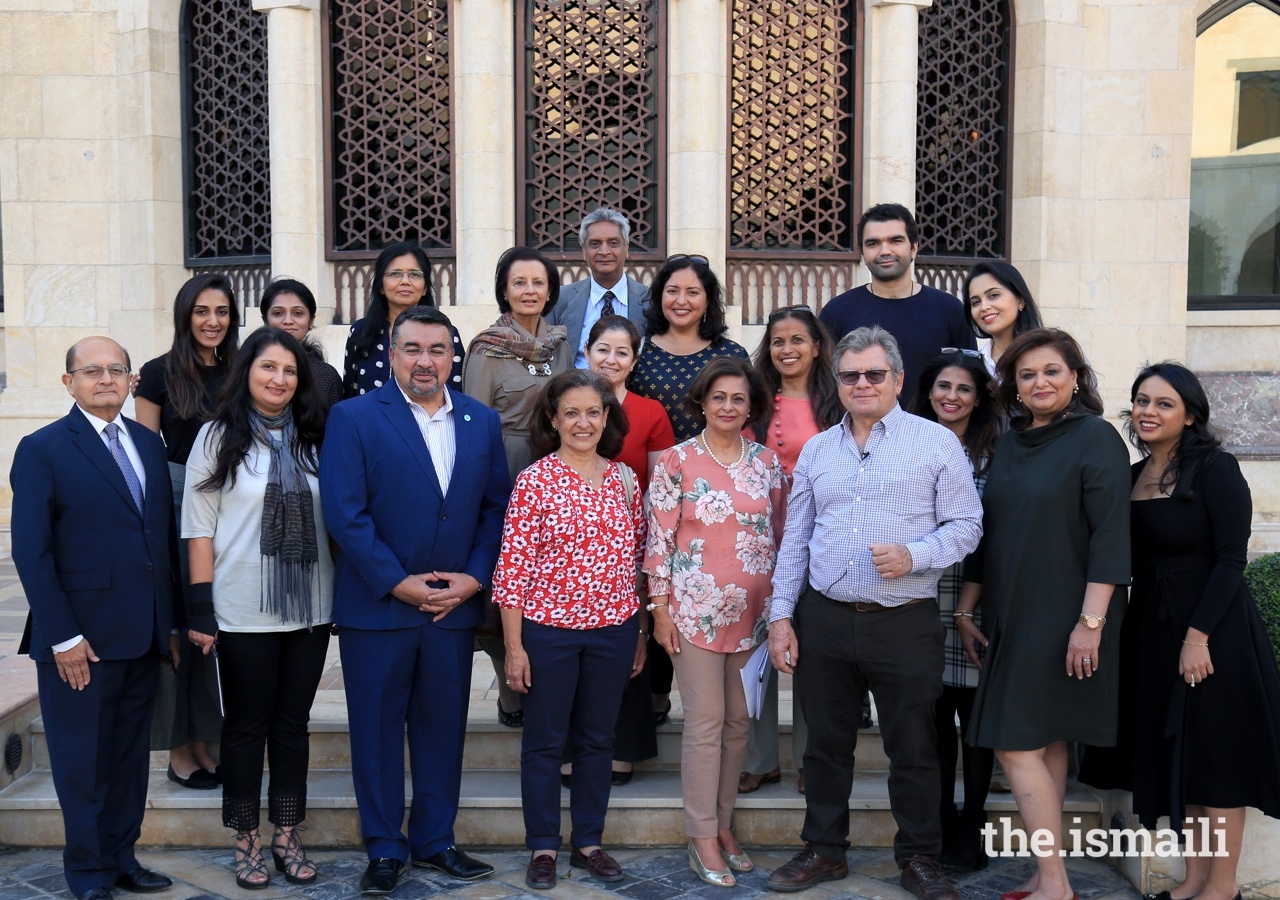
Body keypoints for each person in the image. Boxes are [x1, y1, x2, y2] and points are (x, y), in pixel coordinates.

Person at [765, 326, 982, 898]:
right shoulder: (817, 450)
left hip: (904, 618)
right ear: (836, 382)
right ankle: (824, 850)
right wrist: (782, 617)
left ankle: (919, 858)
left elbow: (967, 525)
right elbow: (796, 539)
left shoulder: (935, 443)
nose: (862, 384)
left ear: (898, 379)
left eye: (874, 374)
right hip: (826, 618)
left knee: (914, 746)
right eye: (850, 375)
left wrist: (915, 555)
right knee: (825, 745)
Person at [322, 305, 510, 896]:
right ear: (393, 354)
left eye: (437, 350)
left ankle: (435, 839)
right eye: (413, 349)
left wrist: (475, 579)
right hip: (378, 607)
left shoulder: (481, 421)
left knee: (442, 728)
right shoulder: (353, 417)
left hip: (452, 609)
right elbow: (344, 514)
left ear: (453, 357)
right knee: (375, 732)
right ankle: (383, 846)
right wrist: (396, 581)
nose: (425, 361)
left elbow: (493, 510)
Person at [1086, 363, 1280, 900]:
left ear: (1190, 414)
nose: (1148, 411)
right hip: (1151, 630)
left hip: (1212, 633)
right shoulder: (1131, 475)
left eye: (1163, 403)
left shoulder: (1216, 469)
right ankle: (1195, 879)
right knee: (1183, 762)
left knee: (1216, 760)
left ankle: (1222, 887)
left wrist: (1199, 638)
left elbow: (1230, 560)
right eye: (1141, 401)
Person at [953, 327, 1130, 900]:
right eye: (1026, 374)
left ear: (1076, 377)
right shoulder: (1009, 441)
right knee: (1048, 742)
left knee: (1014, 743)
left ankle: (1056, 883)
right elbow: (993, 530)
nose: (1039, 382)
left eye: (1052, 371)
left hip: (1067, 612)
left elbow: (1110, 537)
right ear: (1013, 386)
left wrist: (1091, 623)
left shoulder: (1097, 438)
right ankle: (1046, 872)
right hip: (1013, 609)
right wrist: (966, 607)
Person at [12, 336, 180, 900]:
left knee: (130, 761)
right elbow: (32, 553)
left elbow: (159, 541)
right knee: (82, 764)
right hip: (80, 640)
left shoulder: (146, 443)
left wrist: (171, 623)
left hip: (142, 634)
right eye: (91, 371)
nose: (105, 379)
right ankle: (87, 873)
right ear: (69, 383)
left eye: (116, 370)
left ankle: (121, 858)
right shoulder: (42, 449)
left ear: (132, 380)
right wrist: (63, 636)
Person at [181, 328, 333, 889]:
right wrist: (200, 610)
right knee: (245, 727)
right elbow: (198, 529)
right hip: (241, 607)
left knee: (293, 726)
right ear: (246, 372)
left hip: (310, 608)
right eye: (268, 367)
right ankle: (245, 839)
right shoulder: (217, 438)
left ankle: (286, 834)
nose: (279, 379)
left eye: (290, 371)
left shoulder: (314, 439)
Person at [493, 370, 647, 890]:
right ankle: (542, 845)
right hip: (549, 633)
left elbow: (636, 562)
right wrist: (514, 647)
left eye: (593, 412)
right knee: (544, 741)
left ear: (607, 418)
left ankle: (588, 842)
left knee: (597, 740)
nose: (584, 422)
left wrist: (641, 631)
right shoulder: (535, 481)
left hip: (614, 630)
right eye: (572, 413)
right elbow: (512, 570)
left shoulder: (626, 479)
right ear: (553, 419)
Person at [645, 357, 785, 889]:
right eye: (719, 397)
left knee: (738, 726)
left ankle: (724, 826)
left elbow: (781, 534)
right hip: (693, 612)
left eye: (739, 399)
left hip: (754, 617)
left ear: (752, 407)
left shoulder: (768, 464)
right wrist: (659, 609)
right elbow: (658, 541)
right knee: (705, 725)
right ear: (702, 402)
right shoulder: (677, 462)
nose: (729, 407)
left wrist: (782, 612)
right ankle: (700, 833)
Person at [629, 254, 749, 724]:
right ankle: (654, 700)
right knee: (656, 591)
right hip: (651, 490)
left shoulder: (729, 353)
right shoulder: (640, 350)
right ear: (659, 297)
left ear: (707, 300)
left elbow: (745, 418)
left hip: (716, 495)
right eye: (672, 290)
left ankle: (712, 698)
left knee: (705, 589)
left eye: (692, 291)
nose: (681, 300)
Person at [135, 273, 240, 791]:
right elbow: (146, 451)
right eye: (202, 311)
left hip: (236, 506)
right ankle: (181, 749)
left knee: (218, 622)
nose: (212, 321)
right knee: (182, 623)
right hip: (177, 505)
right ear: (185, 315)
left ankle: (208, 739)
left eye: (221, 312)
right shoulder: (158, 374)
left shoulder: (242, 369)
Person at [464, 246, 573, 727]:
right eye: (519, 283)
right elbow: (471, 422)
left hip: (559, 465)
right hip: (503, 467)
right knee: (505, 580)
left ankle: (548, 679)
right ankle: (510, 685)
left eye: (538, 282)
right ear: (504, 290)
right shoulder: (486, 348)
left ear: (550, 290)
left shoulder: (561, 343)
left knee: (551, 578)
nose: (530, 291)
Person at [740, 306, 842, 796]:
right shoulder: (755, 404)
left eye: (798, 340)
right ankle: (760, 758)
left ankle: (808, 757)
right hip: (757, 540)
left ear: (817, 346)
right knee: (758, 646)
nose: (787, 349)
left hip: (818, 540)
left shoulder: (837, 403)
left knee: (812, 652)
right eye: (778, 340)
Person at [907, 350, 1002, 871]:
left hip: (979, 593)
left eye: (964, 388)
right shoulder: (910, 443)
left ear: (979, 397)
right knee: (935, 713)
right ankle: (940, 816)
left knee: (976, 713)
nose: (952, 396)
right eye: (943, 386)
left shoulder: (997, 453)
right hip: (922, 591)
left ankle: (974, 819)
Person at [584, 314, 674, 781]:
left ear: (634, 360)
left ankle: (624, 746)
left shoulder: (650, 412)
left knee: (628, 640)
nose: (611, 359)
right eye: (603, 349)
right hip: (575, 547)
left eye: (622, 352)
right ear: (587, 351)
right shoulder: (566, 401)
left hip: (632, 541)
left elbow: (660, 486)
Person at [817, 203, 975, 397]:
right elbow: (821, 383)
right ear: (863, 252)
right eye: (873, 243)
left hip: (932, 427)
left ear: (914, 248)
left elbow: (969, 379)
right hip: (859, 426)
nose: (885, 251)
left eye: (895, 240)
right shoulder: (837, 312)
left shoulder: (949, 309)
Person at [342, 242, 465, 398]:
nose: (405, 281)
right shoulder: (361, 331)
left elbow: (455, 393)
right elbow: (349, 393)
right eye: (395, 274)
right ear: (380, 286)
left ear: (425, 288)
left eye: (414, 274)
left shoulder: (447, 334)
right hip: (369, 421)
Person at [545, 207, 651, 367]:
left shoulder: (649, 300)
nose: (604, 251)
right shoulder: (560, 300)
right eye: (595, 244)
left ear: (627, 249)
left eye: (613, 243)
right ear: (584, 251)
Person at [260, 278, 343, 408]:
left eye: (298, 313)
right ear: (265, 320)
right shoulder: (251, 367)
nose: (288, 321)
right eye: (278, 313)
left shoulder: (326, 375)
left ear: (311, 321)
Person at [961, 261, 1043, 375]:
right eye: (976, 302)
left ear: (1020, 300)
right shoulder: (972, 365)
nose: (984, 307)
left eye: (993, 295)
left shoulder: (1046, 355)